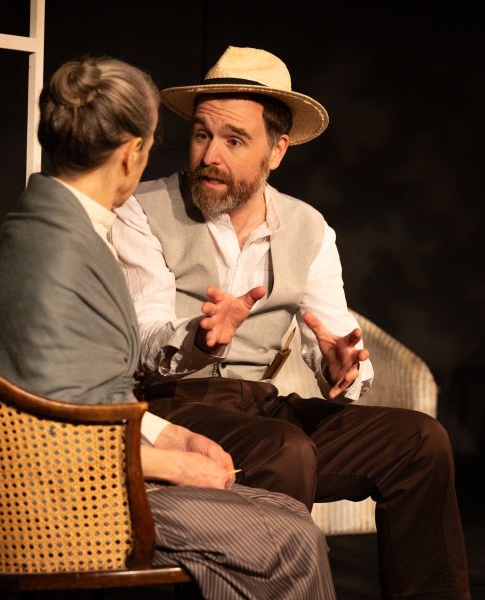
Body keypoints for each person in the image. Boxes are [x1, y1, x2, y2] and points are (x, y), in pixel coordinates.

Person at [111, 46, 471, 599]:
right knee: (284, 448)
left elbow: (334, 337)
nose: (210, 155)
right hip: (170, 407)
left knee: (421, 441)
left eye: (234, 141)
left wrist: (341, 368)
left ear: (277, 150)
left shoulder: (309, 227)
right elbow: (145, 340)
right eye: (202, 134)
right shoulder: (143, 209)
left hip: (259, 406)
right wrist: (201, 340)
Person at [0, 55, 336, 600]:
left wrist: (175, 437)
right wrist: (172, 463)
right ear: (131, 153)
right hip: (72, 498)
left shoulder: (55, 225)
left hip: (98, 466)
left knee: (282, 517)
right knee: (291, 538)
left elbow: (88, 397)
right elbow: (56, 429)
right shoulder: (58, 250)